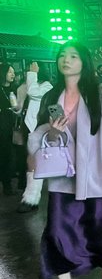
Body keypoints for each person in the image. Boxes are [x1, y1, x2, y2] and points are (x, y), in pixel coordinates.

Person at [29, 41, 102, 279]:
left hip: (94, 177)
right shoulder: (53, 97)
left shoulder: (100, 95)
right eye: (62, 55)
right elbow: (38, 136)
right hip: (62, 178)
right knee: (56, 233)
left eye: (73, 56)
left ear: (83, 62)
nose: (66, 60)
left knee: (99, 231)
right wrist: (51, 132)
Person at [18, 61, 53, 212]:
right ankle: (31, 198)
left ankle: (32, 198)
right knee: (32, 162)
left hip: (44, 128)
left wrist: (32, 73)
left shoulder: (47, 86)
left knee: (37, 162)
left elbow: (33, 91)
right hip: (32, 127)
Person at [0, 63, 18, 195]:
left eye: (13, 72)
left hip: (12, 126)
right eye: (9, 72)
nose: (13, 74)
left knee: (8, 155)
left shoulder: (14, 89)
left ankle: (7, 185)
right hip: (2, 125)